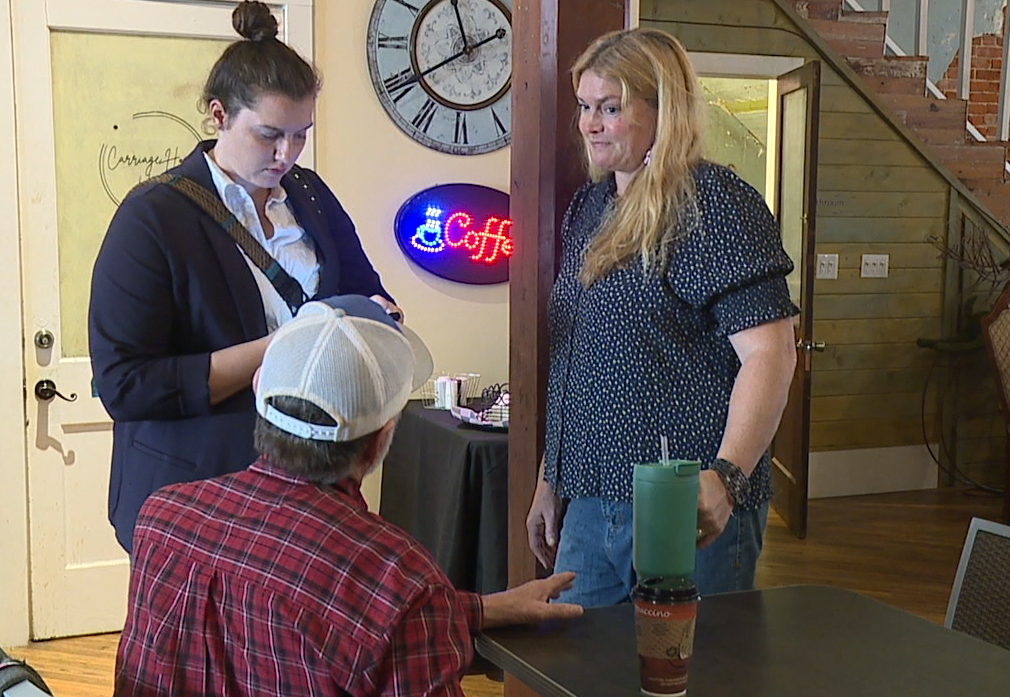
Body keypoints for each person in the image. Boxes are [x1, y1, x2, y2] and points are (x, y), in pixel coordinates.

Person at [113, 296, 583, 696]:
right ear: (382, 439)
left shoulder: (163, 519)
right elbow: (368, 613)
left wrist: (483, 609)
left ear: (260, 391)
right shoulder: (396, 580)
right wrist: (433, 607)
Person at [89, 1, 403, 552]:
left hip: (307, 492)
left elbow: (364, 287)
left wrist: (379, 316)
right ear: (219, 115)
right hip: (192, 496)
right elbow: (126, 386)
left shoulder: (309, 195)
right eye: (268, 134)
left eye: (301, 135)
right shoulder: (152, 217)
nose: (286, 154)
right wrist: (285, 345)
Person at [525, 28, 799, 603]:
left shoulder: (713, 204)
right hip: (590, 501)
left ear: (663, 110)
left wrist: (727, 477)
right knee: (578, 657)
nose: (589, 124)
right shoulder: (591, 206)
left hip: (685, 503)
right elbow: (577, 360)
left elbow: (770, 354)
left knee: (687, 660)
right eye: (584, 106)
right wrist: (552, 478)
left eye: (610, 108)